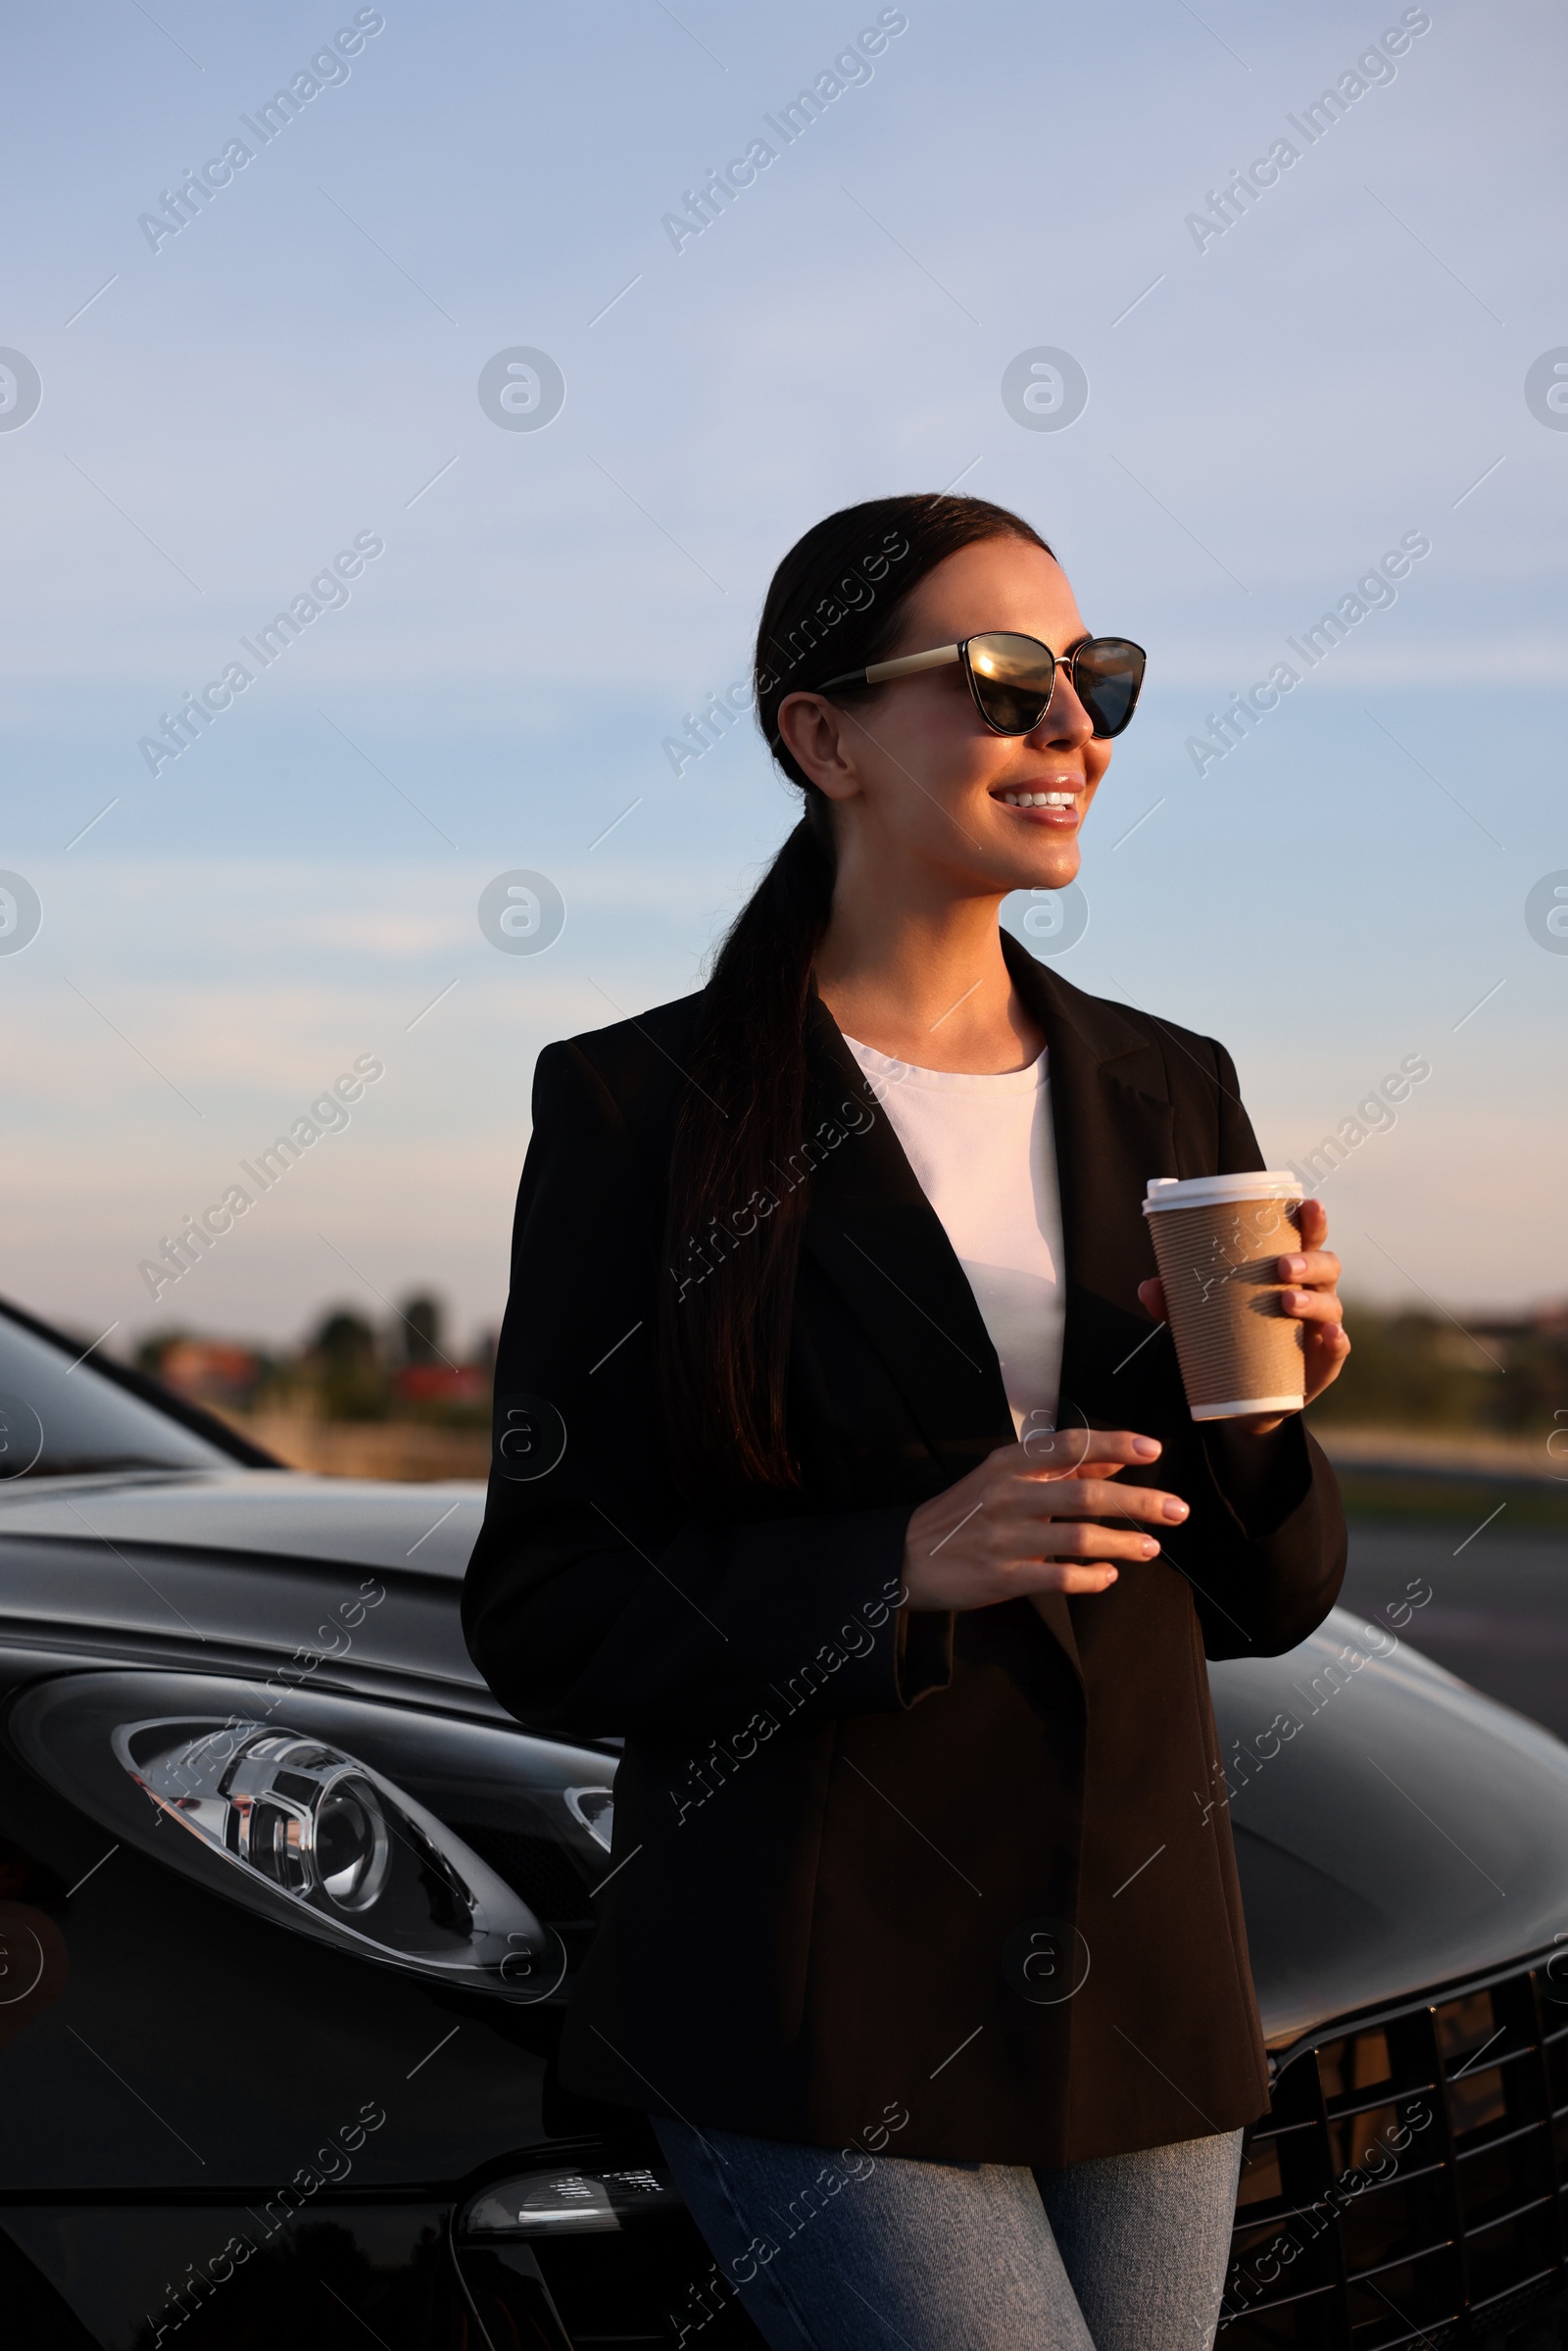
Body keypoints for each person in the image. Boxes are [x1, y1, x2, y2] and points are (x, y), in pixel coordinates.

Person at [463, 493, 1349, 2349]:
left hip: (1138, 1978)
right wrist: (899, 1566)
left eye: (1095, 679)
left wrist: (1263, 1421)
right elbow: (547, 1607)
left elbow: (1269, 1598)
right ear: (823, 735)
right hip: (819, 1996)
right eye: (1005, 679)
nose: (1073, 728)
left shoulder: (1170, 1086)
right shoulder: (638, 1107)